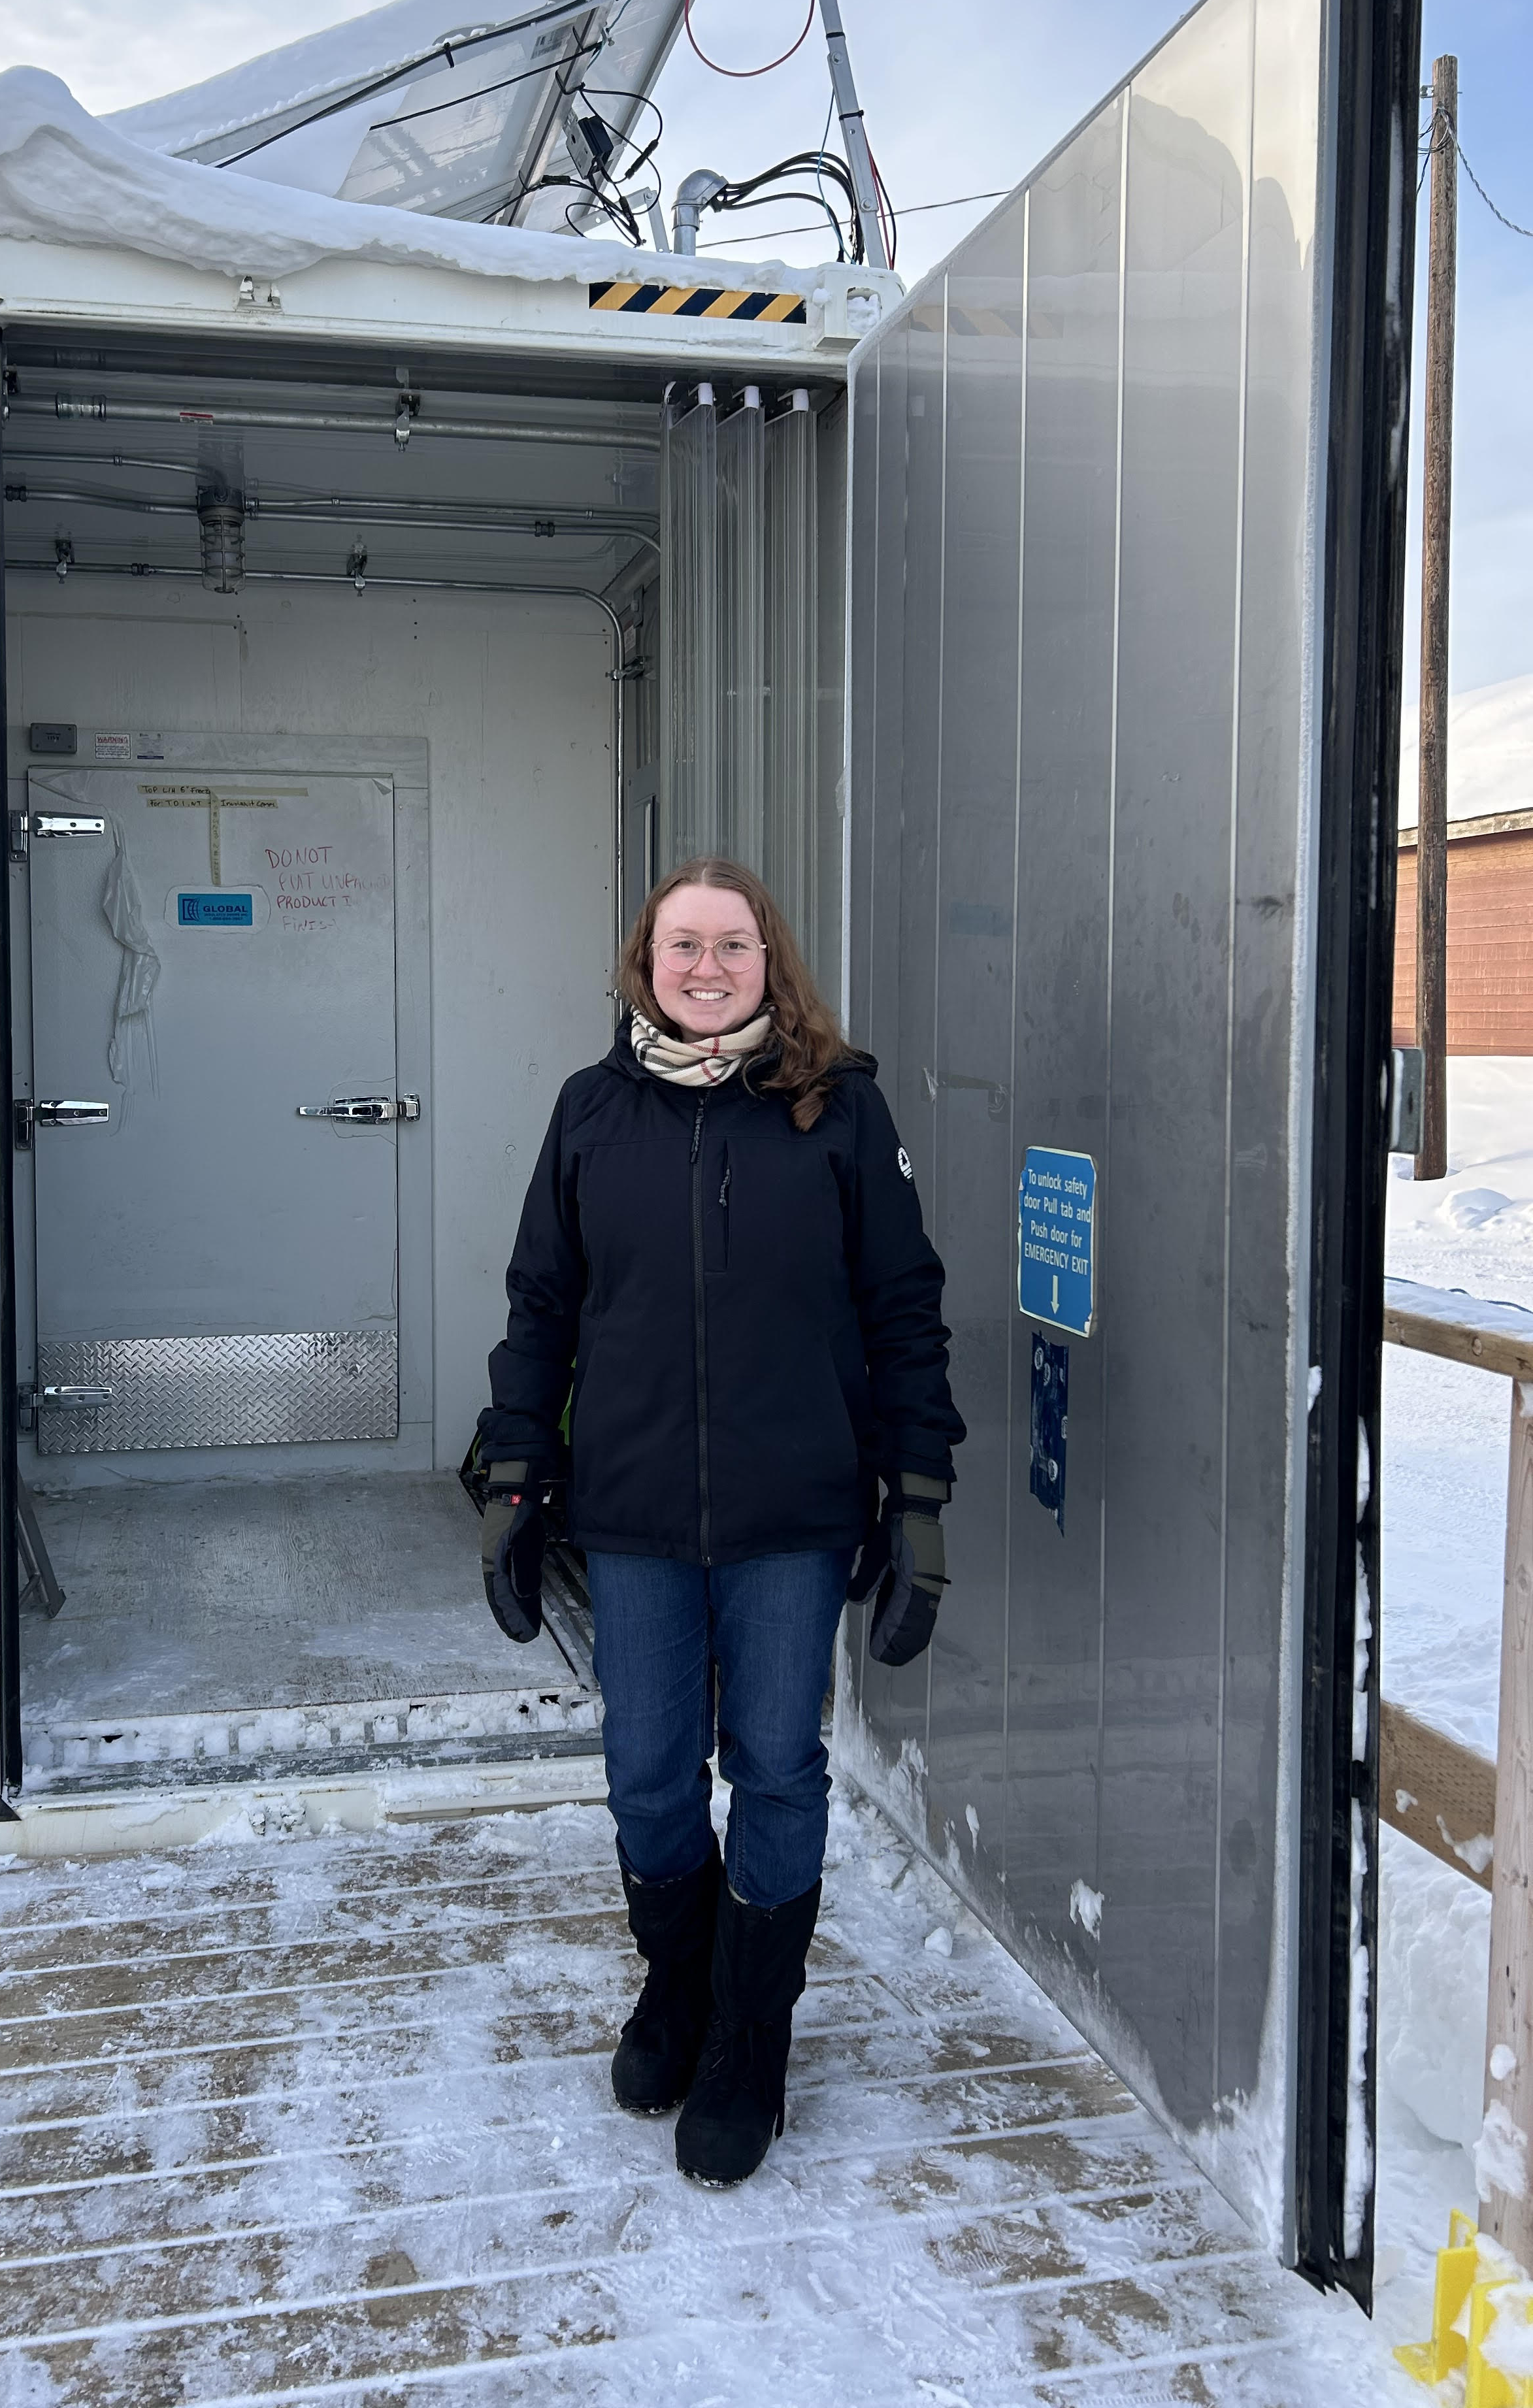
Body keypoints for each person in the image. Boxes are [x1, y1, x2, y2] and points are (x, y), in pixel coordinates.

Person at [476, 857, 964, 2186]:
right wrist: (518, 1472)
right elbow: (542, 1308)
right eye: (683, 945)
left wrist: (916, 1495)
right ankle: (677, 1990)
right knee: (645, 1772)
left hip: (791, 1515)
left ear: (770, 961)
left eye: (732, 946)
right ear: (646, 962)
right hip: (631, 1512)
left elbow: (903, 1310)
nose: (707, 967)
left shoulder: (839, 1113)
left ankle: (752, 2036)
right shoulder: (591, 1114)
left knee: (778, 1769)